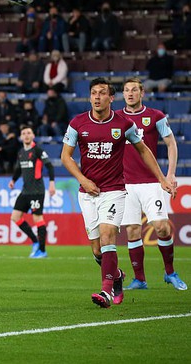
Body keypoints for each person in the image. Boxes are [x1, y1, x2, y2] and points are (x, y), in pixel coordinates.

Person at [61, 77, 175, 308]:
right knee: (96, 250)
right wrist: (83, 179)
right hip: (87, 192)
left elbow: (143, 150)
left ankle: (106, 292)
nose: (97, 97)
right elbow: (65, 156)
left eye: (102, 93)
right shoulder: (77, 123)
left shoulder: (123, 124)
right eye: (94, 93)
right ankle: (118, 276)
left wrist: (162, 178)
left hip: (113, 190)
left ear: (111, 98)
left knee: (107, 236)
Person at [116, 78, 186, 291]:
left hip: (150, 182)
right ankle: (140, 279)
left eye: (134, 90)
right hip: (126, 184)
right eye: (126, 90)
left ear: (142, 93)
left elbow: (171, 143)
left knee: (161, 227)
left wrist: (170, 173)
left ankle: (170, 272)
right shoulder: (116, 117)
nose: (130, 93)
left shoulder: (155, 116)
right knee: (133, 231)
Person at [9, 126, 55, 258]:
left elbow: (50, 166)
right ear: (21, 137)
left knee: (37, 219)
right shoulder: (21, 152)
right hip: (25, 191)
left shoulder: (38, 151)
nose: (26, 135)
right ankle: (35, 242)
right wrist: (13, 180)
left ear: (33, 135)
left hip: (37, 191)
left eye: (29, 133)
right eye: (24, 133)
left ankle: (42, 250)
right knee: (15, 217)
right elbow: (18, 168)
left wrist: (52, 183)